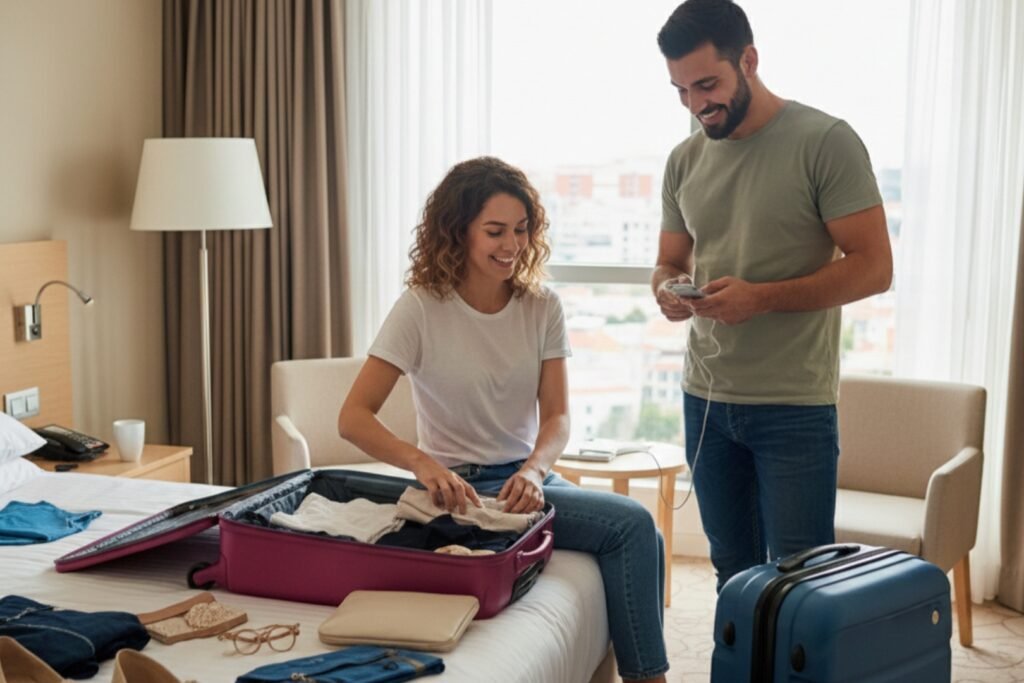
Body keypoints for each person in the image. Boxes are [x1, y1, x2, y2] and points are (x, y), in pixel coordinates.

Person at [338, 157, 670, 682]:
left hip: (527, 476)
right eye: (495, 231)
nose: (511, 245)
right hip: (464, 491)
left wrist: (536, 470)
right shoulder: (422, 308)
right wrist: (422, 463)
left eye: (521, 230)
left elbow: (557, 415)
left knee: (645, 538)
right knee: (632, 525)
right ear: (457, 231)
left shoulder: (541, 306)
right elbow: (353, 417)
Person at [651, 0, 893, 592]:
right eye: (680, 90)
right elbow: (668, 262)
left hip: (794, 405)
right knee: (732, 575)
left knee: (801, 585)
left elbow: (874, 268)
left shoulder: (825, 141)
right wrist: (667, 292)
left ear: (749, 60)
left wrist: (761, 299)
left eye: (707, 84)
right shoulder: (684, 160)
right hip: (704, 400)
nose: (696, 104)